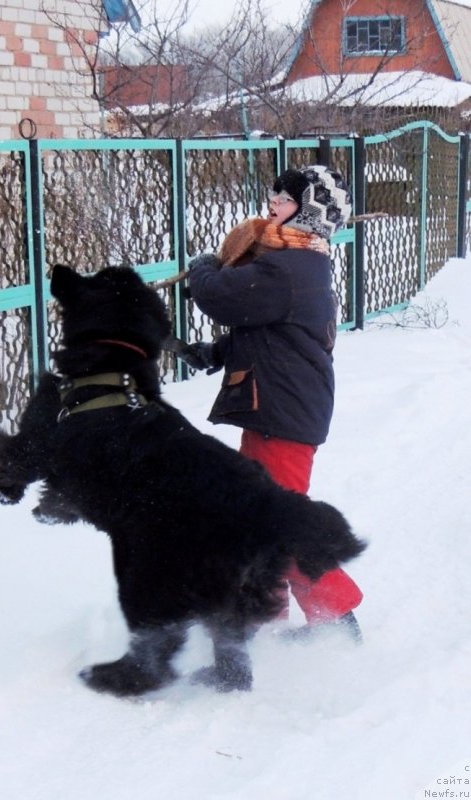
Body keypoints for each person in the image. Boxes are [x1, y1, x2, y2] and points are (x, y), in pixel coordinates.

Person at [180, 164, 364, 642]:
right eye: (274, 196)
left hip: (283, 415)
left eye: (284, 199)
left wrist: (203, 269)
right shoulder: (299, 264)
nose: (272, 205)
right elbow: (272, 331)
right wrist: (215, 354)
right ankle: (265, 618)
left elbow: (222, 298)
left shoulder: (288, 267)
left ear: (307, 213)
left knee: (279, 526)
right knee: (260, 518)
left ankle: (338, 623)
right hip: (280, 409)